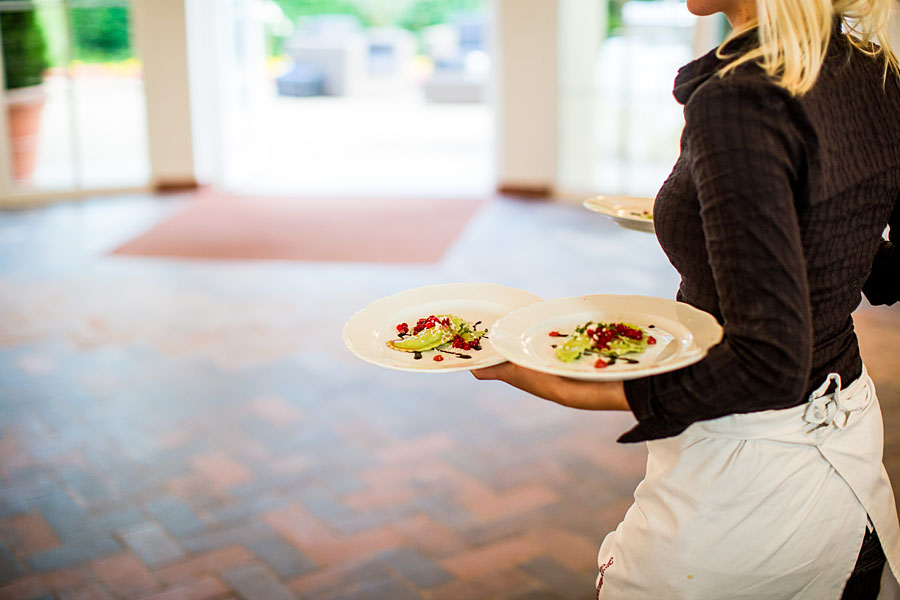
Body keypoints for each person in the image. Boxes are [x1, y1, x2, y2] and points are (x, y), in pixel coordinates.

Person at [472, 0, 900, 596]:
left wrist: (583, 387)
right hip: (846, 438)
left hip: (752, 480)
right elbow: (857, 240)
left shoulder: (742, 98)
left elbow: (768, 364)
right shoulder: (872, 68)